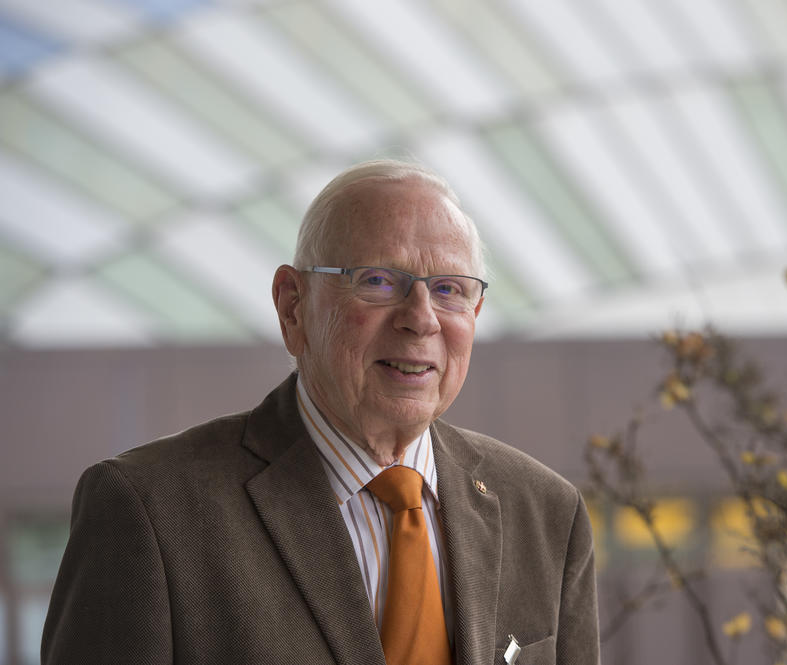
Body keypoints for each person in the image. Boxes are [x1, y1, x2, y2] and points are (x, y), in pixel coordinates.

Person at [41, 160, 599, 664]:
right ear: (293, 306)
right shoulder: (149, 511)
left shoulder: (547, 513)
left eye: (450, 288)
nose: (422, 319)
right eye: (379, 281)